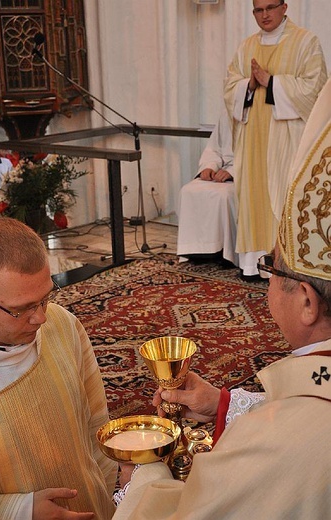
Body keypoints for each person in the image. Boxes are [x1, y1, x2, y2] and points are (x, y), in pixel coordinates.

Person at [112, 77, 331, 519]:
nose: (266, 281)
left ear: (307, 300)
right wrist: (222, 403)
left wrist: (144, 475)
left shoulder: (277, 446)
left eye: (271, 268)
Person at [0, 218, 117, 519]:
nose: (40, 319)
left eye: (45, 298)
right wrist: (20, 510)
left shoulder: (63, 325)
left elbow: (96, 429)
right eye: (22, 309)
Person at [223, 0, 327, 280]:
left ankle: (284, 266)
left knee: (283, 197)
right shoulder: (246, 47)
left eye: (270, 7)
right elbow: (230, 87)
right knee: (253, 198)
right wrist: (249, 84)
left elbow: (315, 89)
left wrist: (273, 82)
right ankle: (252, 264)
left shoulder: (306, 42)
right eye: (258, 10)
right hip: (253, 141)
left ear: (284, 7)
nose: (265, 15)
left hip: (288, 141)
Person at [177, 110, 239, 267]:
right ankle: (195, 251)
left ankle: (223, 252)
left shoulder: (260, 114)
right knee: (188, 190)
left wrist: (232, 172)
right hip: (220, 170)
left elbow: (260, 156)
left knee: (223, 195)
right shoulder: (226, 115)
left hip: (243, 175)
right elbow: (214, 149)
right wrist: (209, 167)